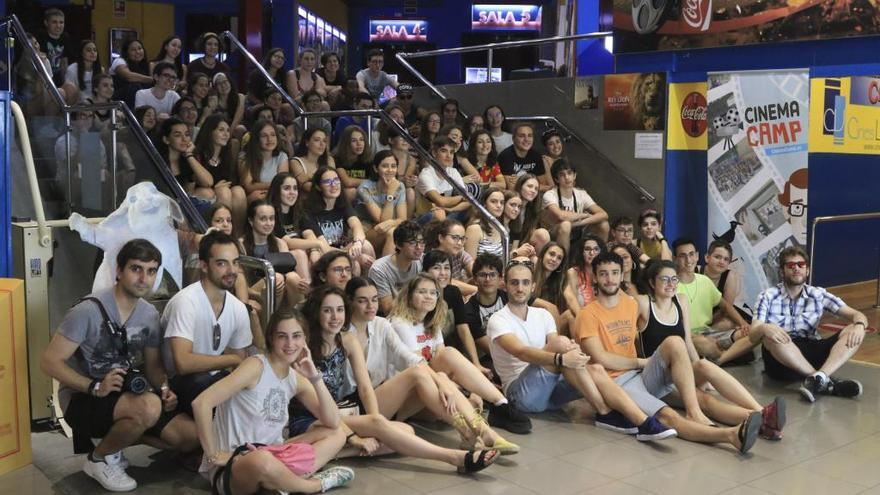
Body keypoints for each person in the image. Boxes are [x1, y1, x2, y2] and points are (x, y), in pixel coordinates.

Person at [289, 286, 503, 473]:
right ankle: (454, 458)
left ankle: (336, 452)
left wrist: (374, 422)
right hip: (312, 421)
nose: (335, 317)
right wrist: (361, 431)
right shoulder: (303, 349)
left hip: (341, 410)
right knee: (388, 431)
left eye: (339, 310)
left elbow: (364, 387)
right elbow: (318, 407)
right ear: (316, 313)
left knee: (405, 431)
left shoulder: (347, 340)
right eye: (327, 311)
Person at [41, 239, 199, 492]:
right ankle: (99, 458)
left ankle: (114, 440)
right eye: (136, 269)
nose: (143, 278)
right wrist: (93, 386)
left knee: (189, 436)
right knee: (148, 407)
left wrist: (164, 388)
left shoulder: (148, 315)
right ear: (119, 271)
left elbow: (154, 366)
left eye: (151, 271)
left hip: (127, 392)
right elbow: (49, 362)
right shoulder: (87, 311)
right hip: (83, 397)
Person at [574, 251, 764, 454]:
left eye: (614, 273)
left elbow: (662, 297)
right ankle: (731, 435)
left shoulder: (631, 304)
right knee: (667, 416)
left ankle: (751, 416)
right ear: (594, 277)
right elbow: (600, 358)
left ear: (622, 275)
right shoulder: (587, 314)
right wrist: (640, 362)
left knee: (676, 344)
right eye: (603, 274)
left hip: (642, 376)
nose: (609, 279)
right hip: (616, 384)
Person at [487, 259, 677, 440]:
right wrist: (563, 357)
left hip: (549, 392)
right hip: (520, 395)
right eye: (514, 283)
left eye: (525, 283)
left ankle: (639, 421)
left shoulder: (542, 314)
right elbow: (521, 352)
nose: (520, 288)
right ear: (505, 285)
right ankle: (607, 412)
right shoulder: (499, 319)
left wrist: (570, 353)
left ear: (533, 286)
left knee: (595, 368)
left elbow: (558, 349)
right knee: (563, 347)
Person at [191, 308, 355, 494]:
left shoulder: (295, 377)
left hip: (273, 455)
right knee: (261, 460)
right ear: (271, 338)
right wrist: (213, 456)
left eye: (296, 336)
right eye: (282, 336)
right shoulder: (255, 366)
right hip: (237, 467)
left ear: (305, 339)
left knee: (337, 434)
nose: (290, 344)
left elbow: (333, 421)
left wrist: (314, 377)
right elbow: (201, 403)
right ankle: (313, 485)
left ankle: (281, 483)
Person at [345, 278, 516, 452]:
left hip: (387, 397)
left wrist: (445, 384)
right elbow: (407, 367)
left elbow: (410, 357)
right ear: (350, 301)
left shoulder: (381, 324)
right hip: (359, 405)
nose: (371, 305)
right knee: (422, 374)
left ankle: (484, 431)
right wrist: (447, 386)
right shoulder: (344, 335)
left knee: (439, 373)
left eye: (374, 299)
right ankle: (469, 432)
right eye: (362, 300)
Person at [636, 260, 787, 440]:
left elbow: (687, 340)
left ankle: (762, 415)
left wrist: (698, 372)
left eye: (674, 279)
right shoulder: (642, 303)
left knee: (704, 368)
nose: (671, 284)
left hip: (678, 371)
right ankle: (756, 419)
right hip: (655, 377)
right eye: (665, 279)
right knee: (703, 398)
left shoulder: (681, 300)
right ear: (652, 283)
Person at [391, 273, 533, 433]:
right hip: (403, 395)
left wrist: (470, 389)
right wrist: (453, 387)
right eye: (422, 292)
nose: (428, 297)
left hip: (428, 388)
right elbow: (420, 368)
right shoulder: (400, 324)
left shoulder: (431, 322)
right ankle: (494, 411)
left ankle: (501, 405)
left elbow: (443, 362)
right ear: (409, 295)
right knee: (455, 386)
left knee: (452, 368)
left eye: (433, 293)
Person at [750, 246, 867, 402]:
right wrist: (764, 327)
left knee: (855, 329)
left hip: (811, 349)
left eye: (801, 264)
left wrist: (860, 324)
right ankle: (824, 380)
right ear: (782, 271)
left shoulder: (818, 294)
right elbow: (752, 336)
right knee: (769, 337)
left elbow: (856, 314)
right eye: (791, 265)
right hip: (781, 360)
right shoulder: (767, 296)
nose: (796, 268)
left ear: (807, 270)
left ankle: (818, 378)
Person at [162, 231, 253, 414]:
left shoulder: (238, 308)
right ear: (204, 266)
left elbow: (240, 364)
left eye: (235, 262)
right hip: (176, 386)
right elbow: (183, 363)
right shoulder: (186, 302)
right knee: (206, 384)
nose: (231, 270)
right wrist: (232, 359)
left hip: (210, 380)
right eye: (222, 263)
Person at [672, 238, 754, 365]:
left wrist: (744, 325)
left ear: (697, 256)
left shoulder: (704, 281)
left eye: (691, 254)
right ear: (675, 258)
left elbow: (726, 306)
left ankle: (719, 358)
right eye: (682, 256)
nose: (688, 260)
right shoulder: (671, 285)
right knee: (705, 343)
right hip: (688, 335)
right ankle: (727, 354)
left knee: (752, 335)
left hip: (709, 331)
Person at [421, 250, 495, 380]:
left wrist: (476, 363)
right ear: (425, 272)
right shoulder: (420, 298)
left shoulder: (453, 292)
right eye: (437, 268)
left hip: (448, 352)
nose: (443, 273)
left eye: (447, 268)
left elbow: (464, 330)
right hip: (424, 356)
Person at [303, 167, 376, 274]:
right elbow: (324, 247)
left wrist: (358, 243)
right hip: (322, 253)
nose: (334, 184)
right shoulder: (309, 211)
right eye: (327, 182)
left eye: (336, 180)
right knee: (354, 263)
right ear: (318, 187)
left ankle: (370, 285)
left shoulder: (342, 203)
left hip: (342, 248)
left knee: (366, 245)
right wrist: (354, 255)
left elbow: (357, 226)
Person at [240, 199, 308, 306]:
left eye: (271, 219)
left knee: (293, 278)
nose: (269, 223)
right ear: (251, 221)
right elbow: (240, 283)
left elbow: (288, 272)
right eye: (263, 219)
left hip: (279, 287)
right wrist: (259, 293)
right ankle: (271, 320)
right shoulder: (241, 245)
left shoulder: (280, 243)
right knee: (276, 277)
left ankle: (298, 318)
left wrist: (303, 285)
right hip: (253, 290)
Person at [268, 172, 326, 284]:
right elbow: (288, 242)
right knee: (299, 253)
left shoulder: (298, 211)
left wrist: (314, 250)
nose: (292, 193)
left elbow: (309, 234)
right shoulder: (271, 213)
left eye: (295, 188)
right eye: (286, 188)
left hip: (302, 254)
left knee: (316, 255)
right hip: (280, 254)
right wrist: (317, 244)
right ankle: (308, 288)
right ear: (277, 190)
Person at [541, 158, 609, 253]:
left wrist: (578, 223)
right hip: (554, 234)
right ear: (556, 179)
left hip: (577, 230)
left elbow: (603, 214)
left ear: (574, 175)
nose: (567, 177)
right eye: (562, 174)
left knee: (603, 224)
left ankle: (599, 260)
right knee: (566, 225)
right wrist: (584, 215)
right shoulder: (550, 194)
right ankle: (563, 264)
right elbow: (561, 216)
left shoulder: (581, 194)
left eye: (569, 173)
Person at [194, 113, 246, 230]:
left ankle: (237, 234)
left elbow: (231, 181)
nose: (226, 134)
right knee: (224, 192)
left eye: (228, 130)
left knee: (239, 191)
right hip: (203, 193)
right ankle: (221, 234)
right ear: (210, 132)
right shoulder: (198, 154)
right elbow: (195, 183)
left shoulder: (228, 154)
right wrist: (215, 189)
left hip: (222, 189)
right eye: (221, 130)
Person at [357, 150, 409, 256]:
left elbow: (402, 219)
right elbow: (382, 220)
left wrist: (392, 223)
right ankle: (384, 270)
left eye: (393, 166)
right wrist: (390, 194)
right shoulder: (365, 188)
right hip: (366, 230)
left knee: (392, 231)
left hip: (389, 227)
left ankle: (387, 269)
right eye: (385, 166)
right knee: (391, 231)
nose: (390, 170)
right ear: (376, 168)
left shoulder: (399, 187)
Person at [368, 220, 424, 314]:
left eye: (421, 242)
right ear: (398, 245)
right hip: (390, 318)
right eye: (413, 243)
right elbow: (387, 309)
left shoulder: (422, 260)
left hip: (415, 311)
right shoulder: (379, 269)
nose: (419, 247)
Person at [157, 117, 215, 201]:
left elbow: (208, 182)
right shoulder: (158, 160)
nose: (184, 139)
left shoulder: (187, 160)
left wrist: (189, 155)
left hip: (180, 204)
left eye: (187, 134)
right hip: (161, 203)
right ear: (166, 139)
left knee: (207, 193)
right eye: (177, 135)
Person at [417, 137, 470, 223]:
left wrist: (451, 209)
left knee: (473, 208)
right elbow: (441, 202)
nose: (448, 156)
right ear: (434, 153)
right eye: (444, 151)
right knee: (438, 215)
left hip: (449, 212)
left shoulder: (453, 172)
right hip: (428, 216)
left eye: (452, 152)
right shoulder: (426, 174)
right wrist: (461, 197)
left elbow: (468, 201)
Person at [464, 254, 507, 357]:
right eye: (483, 275)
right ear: (475, 279)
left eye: (493, 275)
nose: (488, 279)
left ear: (500, 278)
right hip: (487, 358)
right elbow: (491, 350)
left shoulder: (508, 298)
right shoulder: (469, 311)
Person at [702, 239, 752, 326]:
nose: (721, 262)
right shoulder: (695, 272)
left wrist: (706, 325)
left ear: (729, 263)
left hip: (719, 316)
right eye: (717, 257)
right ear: (707, 258)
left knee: (726, 324)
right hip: (696, 317)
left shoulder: (730, 276)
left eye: (726, 259)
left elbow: (725, 310)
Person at [239, 119, 291, 202]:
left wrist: (266, 189)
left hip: (275, 196)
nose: (269, 139)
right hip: (253, 199)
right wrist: (275, 185)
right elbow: (249, 186)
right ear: (256, 138)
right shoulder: (244, 157)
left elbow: (283, 182)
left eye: (273, 135)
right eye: (264, 136)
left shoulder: (282, 156)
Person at [424, 218, 475, 295]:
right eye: (455, 238)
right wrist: (479, 290)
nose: (460, 243)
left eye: (462, 238)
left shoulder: (460, 253)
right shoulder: (431, 257)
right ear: (441, 238)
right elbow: (447, 282)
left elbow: (476, 271)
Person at [511, 173, 551, 254]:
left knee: (543, 234)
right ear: (520, 186)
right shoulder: (509, 204)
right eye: (529, 186)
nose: (533, 191)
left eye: (536, 189)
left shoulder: (533, 209)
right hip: (509, 246)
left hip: (522, 244)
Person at [110, 38, 153, 108]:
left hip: (138, 100)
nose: (138, 52)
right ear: (126, 52)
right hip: (120, 99)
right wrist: (152, 80)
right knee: (135, 86)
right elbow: (128, 76)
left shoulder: (146, 65)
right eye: (133, 50)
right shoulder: (119, 61)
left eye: (140, 48)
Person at [334, 125, 373, 202]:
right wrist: (369, 182)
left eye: (361, 140)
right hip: (342, 195)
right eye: (354, 140)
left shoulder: (368, 159)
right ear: (346, 143)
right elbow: (347, 182)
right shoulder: (337, 159)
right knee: (350, 192)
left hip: (364, 193)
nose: (359, 143)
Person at [465, 187, 506, 260]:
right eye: (493, 201)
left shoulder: (500, 227)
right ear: (484, 204)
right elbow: (469, 264)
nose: (499, 205)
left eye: (502, 202)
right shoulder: (474, 228)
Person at [38, 7, 74, 87]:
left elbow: (64, 62)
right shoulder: (40, 37)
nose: (58, 26)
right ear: (46, 23)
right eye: (54, 22)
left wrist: (65, 83)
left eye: (61, 22)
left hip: (58, 79)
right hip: (42, 78)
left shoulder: (65, 38)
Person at [291, 127, 335, 193]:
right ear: (307, 143)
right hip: (307, 199)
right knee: (308, 185)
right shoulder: (295, 161)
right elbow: (301, 180)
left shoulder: (329, 160)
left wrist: (310, 177)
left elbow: (334, 180)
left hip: (329, 195)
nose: (322, 144)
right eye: (317, 140)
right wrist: (325, 179)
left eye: (324, 141)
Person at [567, 234, 604, 311]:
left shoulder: (604, 273)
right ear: (581, 252)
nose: (592, 253)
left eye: (596, 249)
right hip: (580, 316)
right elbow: (571, 303)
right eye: (587, 249)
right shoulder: (573, 273)